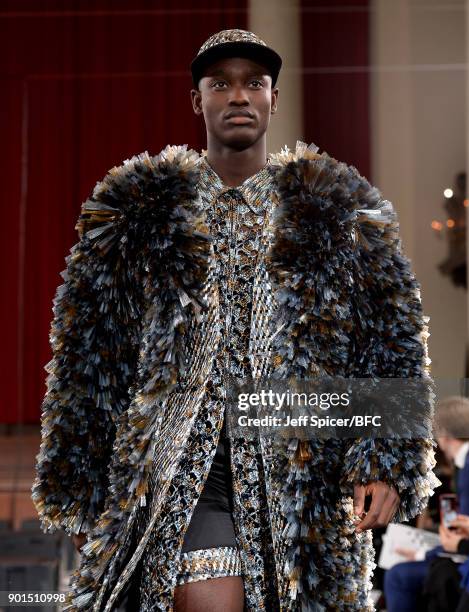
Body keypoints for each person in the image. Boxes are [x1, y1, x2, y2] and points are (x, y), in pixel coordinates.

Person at [31, 28, 439, 611]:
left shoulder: (332, 207)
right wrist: (78, 485)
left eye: (255, 83)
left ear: (274, 97)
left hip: (303, 473)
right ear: (197, 100)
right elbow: (88, 352)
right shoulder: (141, 208)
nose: (239, 96)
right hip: (176, 469)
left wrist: (386, 457)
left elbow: (392, 337)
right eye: (221, 83)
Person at [384, 396, 469, 612]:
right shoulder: (467, 464)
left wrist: (422, 554)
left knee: (397, 575)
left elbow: (465, 542)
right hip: (465, 554)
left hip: (467, 564)